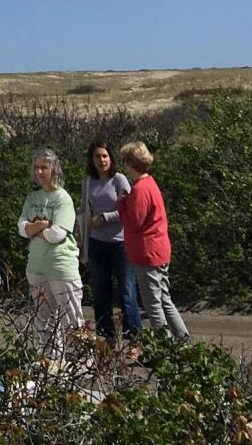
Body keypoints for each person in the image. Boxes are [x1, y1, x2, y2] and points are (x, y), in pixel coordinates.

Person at [118, 141, 190, 342]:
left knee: (153, 304)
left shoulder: (140, 189)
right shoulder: (150, 183)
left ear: (131, 163)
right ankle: (182, 338)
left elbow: (133, 223)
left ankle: (165, 346)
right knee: (165, 298)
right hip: (158, 249)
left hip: (147, 253)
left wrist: (122, 204)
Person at [18, 148, 83, 356]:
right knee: (44, 320)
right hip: (36, 267)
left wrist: (34, 228)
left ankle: (81, 364)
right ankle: (49, 362)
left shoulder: (63, 199)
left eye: (44, 168)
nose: (39, 172)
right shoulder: (32, 198)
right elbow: (22, 229)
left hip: (61, 267)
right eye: (36, 167)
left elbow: (57, 234)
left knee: (72, 319)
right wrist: (41, 226)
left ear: (54, 169)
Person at [78, 139, 141, 344]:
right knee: (100, 292)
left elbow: (130, 209)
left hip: (120, 244)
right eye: (97, 156)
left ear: (110, 158)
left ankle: (134, 338)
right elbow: (84, 209)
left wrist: (106, 217)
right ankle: (106, 337)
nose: (102, 160)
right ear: (92, 159)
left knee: (126, 292)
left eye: (105, 156)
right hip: (97, 244)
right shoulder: (88, 182)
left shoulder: (119, 180)